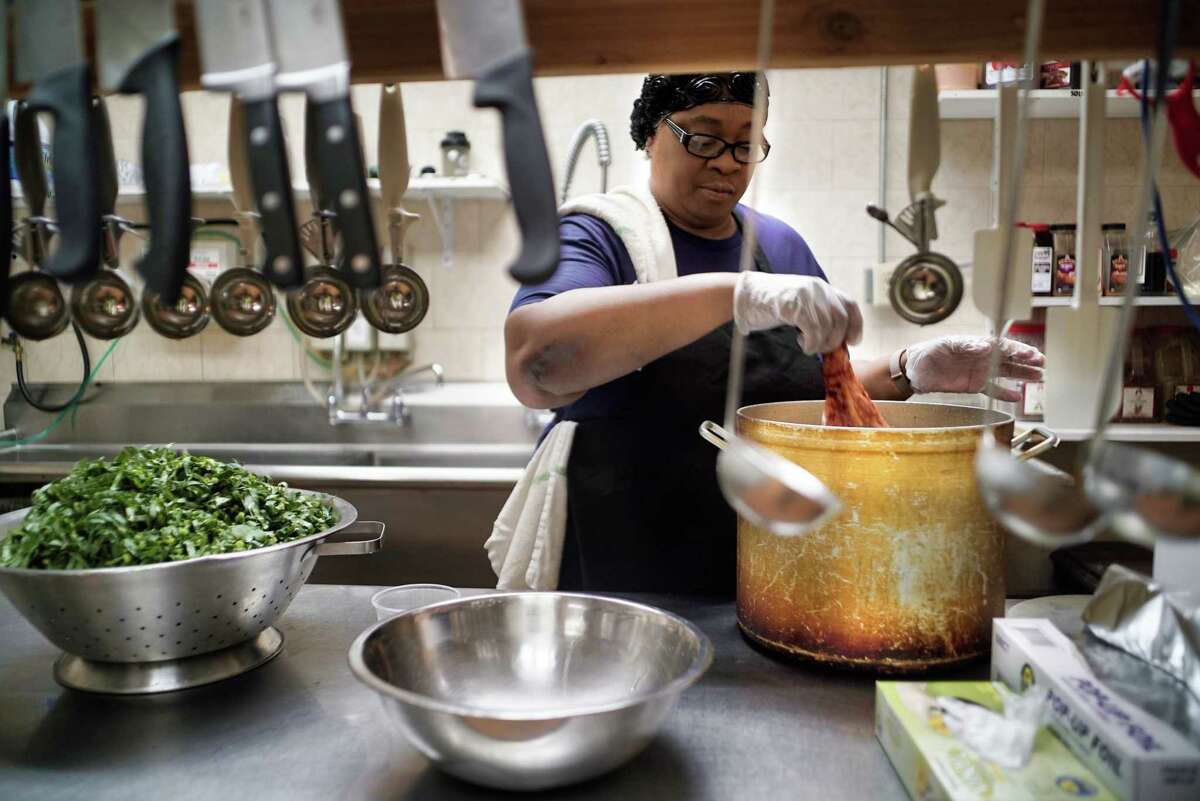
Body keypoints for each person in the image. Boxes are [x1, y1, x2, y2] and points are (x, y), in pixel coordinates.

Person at [502, 72, 1044, 595]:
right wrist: (736, 293)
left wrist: (909, 369)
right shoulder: (598, 235)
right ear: (649, 133)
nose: (726, 163)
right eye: (703, 137)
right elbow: (534, 366)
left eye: (745, 144)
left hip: (766, 554)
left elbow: (814, 391)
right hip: (628, 560)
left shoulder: (779, 247)